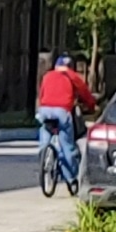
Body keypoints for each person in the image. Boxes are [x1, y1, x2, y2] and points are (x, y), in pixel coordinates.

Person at [36, 54, 92, 187]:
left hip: (44, 111)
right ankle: (72, 178)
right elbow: (85, 93)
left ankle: (44, 156)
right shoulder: (72, 77)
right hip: (62, 111)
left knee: (45, 132)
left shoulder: (47, 76)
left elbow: (41, 93)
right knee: (67, 146)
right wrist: (91, 105)